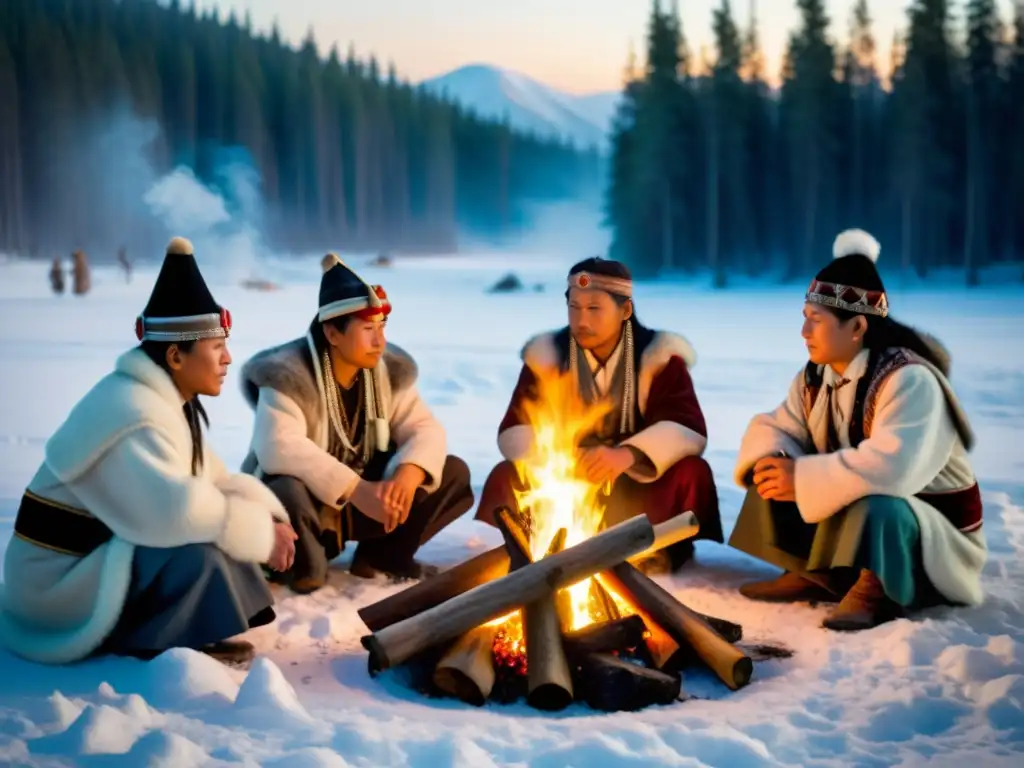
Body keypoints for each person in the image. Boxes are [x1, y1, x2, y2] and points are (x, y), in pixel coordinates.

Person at [0, 236, 295, 667]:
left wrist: (266, 519)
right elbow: (175, 513)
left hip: (91, 561)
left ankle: (182, 625)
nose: (228, 359)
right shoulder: (130, 413)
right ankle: (154, 639)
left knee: (219, 527)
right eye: (217, 348)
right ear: (176, 355)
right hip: (55, 586)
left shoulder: (164, 403)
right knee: (199, 549)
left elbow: (215, 480)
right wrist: (257, 533)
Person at [729, 228, 986, 631]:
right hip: (878, 508)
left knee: (876, 503)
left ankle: (879, 587)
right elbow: (778, 425)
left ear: (857, 328)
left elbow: (893, 469)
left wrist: (804, 478)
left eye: (817, 320)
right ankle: (818, 572)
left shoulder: (909, 379)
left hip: (933, 533)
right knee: (772, 471)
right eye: (804, 319)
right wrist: (778, 462)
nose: (804, 333)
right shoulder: (815, 377)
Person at [239, 254, 474, 593]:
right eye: (368, 330)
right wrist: (357, 489)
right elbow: (278, 447)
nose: (379, 341)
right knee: (286, 490)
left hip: (367, 500)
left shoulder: (386, 370)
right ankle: (300, 564)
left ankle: (381, 558)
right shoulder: (288, 373)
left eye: (381, 329)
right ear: (333, 333)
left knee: (450, 472)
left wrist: (407, 476)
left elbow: (425, 429)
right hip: (311, 507)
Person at [476, 257, 723, 571]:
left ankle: (655, 549)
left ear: (625, 310)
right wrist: (560, 456)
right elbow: (515, 428)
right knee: (506, 475)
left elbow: (686, 427)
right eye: (574, 307)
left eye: (594, 309)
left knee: (691, 471)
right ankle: (537, 545)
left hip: (633, 480)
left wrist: (628, 454)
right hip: (569, 473)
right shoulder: (547, 355)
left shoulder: (657, 356)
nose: (582, 320)